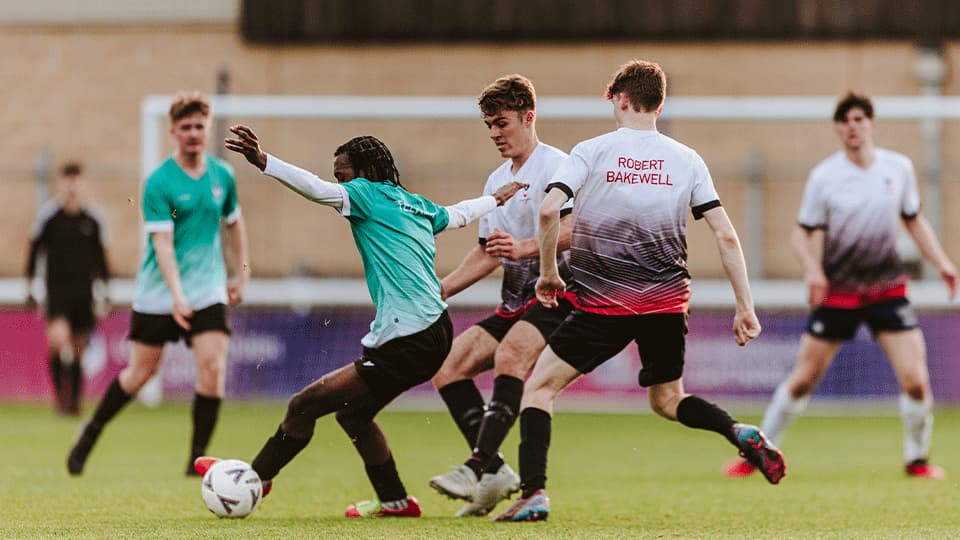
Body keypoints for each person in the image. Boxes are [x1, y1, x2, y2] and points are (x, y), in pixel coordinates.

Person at [492, 60, 785, 523]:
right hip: (666, 304)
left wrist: (547, 274)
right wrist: (745, 308)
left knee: (540, 388)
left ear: (621, 99)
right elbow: (726, 236)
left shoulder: (591, 151)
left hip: (602, 305)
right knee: (668, 400)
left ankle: (534, 494)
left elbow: (549, 211)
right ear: (659, 106)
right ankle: (738, 431)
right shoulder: (687, 159)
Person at [194, 125, 527, 518]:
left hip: (410, 336)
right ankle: (396, 502)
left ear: (366, 171)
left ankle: (252, 479)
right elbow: (459, 214)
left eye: (344, 175)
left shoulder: (365, 194)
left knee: (304, 405)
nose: (342, 185)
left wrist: (263, 160)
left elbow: (315, 188)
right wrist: (494, 199)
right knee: (353, 414)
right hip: (434, 329)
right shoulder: (416, 204)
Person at [724, 92, 958, 481]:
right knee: (802, 380)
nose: (852, 127)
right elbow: (800, 235)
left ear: (871, 124)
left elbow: (914, 221)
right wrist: (813, 270)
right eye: (845, 121)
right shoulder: (825, 176)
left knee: (917, 382)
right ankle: (756, 455)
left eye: (859, 119)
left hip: (887, 291)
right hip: (838, 293)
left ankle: (917, 460)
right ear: (837, 128)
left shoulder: (897, 168)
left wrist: (943, 263)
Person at [67, 91, 250, 476]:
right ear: (173, 132)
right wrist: (177, 297)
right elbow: (163, 245)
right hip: (159, 292)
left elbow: (234, 223)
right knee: (140, 374)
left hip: (208, 288)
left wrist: (242, 272)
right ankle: (92, 431)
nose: (193, 133)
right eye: (185, 127)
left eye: (199, 126)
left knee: (212, 367)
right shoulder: (159, 182)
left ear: (208, 128)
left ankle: (196, 460)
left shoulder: (223, 176)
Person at [426, 74, 578, 517]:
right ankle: (496, 473)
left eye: (502, 123)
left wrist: (526, 247)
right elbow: (487, 252)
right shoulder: (497, 179)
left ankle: (475, 467)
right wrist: (439, 291)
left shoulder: (558, 166)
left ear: (529, 117)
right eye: (489, 125)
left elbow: (575, 229)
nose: (494, 133)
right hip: (515, 302)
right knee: (448, 369)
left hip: (558, 296)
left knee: (511, 357)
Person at [26, 161, 111, 416]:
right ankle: (59, 397)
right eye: (67, 181)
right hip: (57, 291)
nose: (72, 186)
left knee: (78, 348)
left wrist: (105, 290)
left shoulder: (93, 219)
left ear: (82, 183)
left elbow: (101, 258)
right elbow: (34, 251)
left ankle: (74, 401)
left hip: (83, 292)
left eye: (76, 181)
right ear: (61, 183)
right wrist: (29, 285)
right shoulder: (48, 217)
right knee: (57, 340)